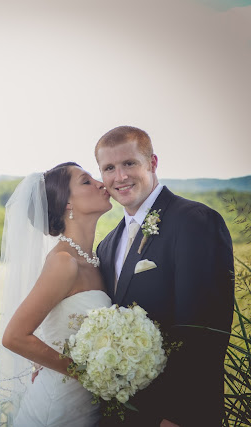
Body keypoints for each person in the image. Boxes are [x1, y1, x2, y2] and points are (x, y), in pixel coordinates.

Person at [94, 126, 234, 426]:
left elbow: (205, 329)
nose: (120, 176)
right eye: (109, 168)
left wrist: (178, 415)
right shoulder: (106, 245)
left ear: (152, 163)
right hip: (126, 412)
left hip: (176, 413)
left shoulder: (194, 220)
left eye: (129, 163)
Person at [0, 162, 113, 426]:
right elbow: (14, 337)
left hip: (87, 407)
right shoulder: (63, 262)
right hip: (57, 408)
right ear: (67, 204)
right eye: (86, 181)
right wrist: (86, 375)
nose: (101, 183)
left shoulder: (96, 260)